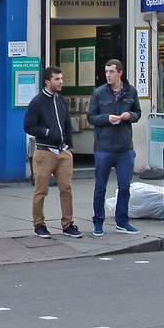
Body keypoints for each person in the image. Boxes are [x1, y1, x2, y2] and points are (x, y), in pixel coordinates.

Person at [23, 65, 79, 237]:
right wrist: (47, 132)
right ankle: (39, 224)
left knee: (66, 189)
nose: (61, 82)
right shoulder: (37, 102)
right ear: (48, 82)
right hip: (45, 152)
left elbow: (67, 124)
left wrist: (69, 145)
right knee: (41, 190)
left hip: (63, 152)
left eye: (61, 78)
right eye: (57, 79)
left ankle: (67, 224)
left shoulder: (62, 100)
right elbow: (28, 126)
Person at [87, 59, 141, 235]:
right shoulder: (99, 93)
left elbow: (138, 113)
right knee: (100, 187)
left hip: (124, 147)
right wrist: (107, 118)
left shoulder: (130, 91)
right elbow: (91, 117)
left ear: (120, 73)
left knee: (125, 186)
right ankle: (98, 221)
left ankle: (122, 221)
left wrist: (129, 115)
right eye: (106, 72)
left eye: (111, 72)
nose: (108, 75)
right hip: (104, 146)